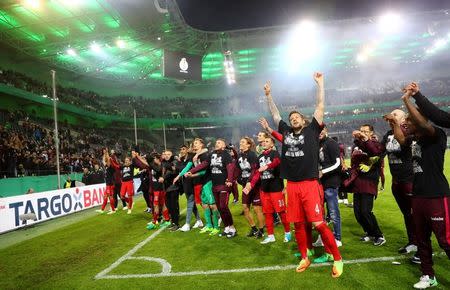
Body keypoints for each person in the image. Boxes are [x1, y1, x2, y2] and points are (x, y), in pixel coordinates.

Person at [263, 73, 343, 277]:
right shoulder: (286, 132)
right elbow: (275, 115)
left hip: (309, 183)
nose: (292, 118)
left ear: (304, 120)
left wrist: (321, 84)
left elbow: (320, 106)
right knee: (298, 223)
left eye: (296, 117)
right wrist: (269, 96)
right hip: (292, 185)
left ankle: (337, 258)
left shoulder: (312, 131)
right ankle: (305, 256)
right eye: (291, 118)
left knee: (318, 223)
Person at [401, 84, 450, 289]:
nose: (406, 123)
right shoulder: (414, 140)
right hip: (418, 196)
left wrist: (407, 101)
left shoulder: (436, 134)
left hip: (437, 195)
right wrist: (397, 121)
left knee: (446, 240)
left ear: (420, 121)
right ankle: (428, 275)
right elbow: (401, 139)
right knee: (422, 240)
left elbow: (422, 122)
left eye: (408, 121)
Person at [244, 136, 291, 244]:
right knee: (267, 213)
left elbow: (276, 162)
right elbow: (256, 172)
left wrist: (267, 166)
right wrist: (251, 184)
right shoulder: (259, 156)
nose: (264, 143)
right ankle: (270, 236)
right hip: (264, 190)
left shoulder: (275, 153)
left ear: (272, 144)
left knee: (281, 212)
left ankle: (287, 233)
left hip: (276, 189)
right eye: (263, 141)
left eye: (267, 141)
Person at [382, 109, 417, 255]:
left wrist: (396, 123)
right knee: (407, 214)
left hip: (409, 179)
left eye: (395, 114)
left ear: (403, 119)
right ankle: (413, 242)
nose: (392, 116)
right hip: (396, 181)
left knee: (415, 214)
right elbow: (379, 151)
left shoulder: (408, 132)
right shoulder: (388, 135)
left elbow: (404, 145)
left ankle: (421, 244)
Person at [188, 139, 237, 238]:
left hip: (224, 184)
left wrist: (230, 180)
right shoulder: (212, 154)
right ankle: (227, 227)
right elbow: (204, 164)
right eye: (216, 142)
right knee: (219, 207)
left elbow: (230, 168)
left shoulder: (226, 154)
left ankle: (232, 228)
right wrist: (192, 171)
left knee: (223, 206)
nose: (216, 143)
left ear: (224, 145)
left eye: (219, 142)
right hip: (215, 185)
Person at [349, 124, 386, 246]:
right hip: (357, 181)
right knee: (358, 213)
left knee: (366, 211)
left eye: (365, 131)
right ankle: (369, 232)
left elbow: (375, 154)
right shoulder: (356, 145)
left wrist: (365, 140)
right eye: (361, 131)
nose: (362, 133)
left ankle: (379, 235)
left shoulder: (375, 144)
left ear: (371, 133)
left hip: (368, 181)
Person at [313, 126, 343, 251]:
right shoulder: (317, 144)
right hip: (320, 183)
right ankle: (322, 237)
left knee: (333, 212)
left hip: (330, 182)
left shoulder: (331, 143)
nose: (319, 133)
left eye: (321, 130)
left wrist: (323, 172)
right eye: (317, 131)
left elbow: (337, 163)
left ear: (326, 130)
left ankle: (337, 238)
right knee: (320, 213)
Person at [182, 138, 220, 235]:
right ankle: (209, 225)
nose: (194, 145)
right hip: (201, 183)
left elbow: (204, 170)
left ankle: (216, 226)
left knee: (212, 205)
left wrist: (192, 174)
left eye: (196, 143)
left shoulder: (205, 155)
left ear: (201, 145)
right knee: (204, 204)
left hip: (208, 181)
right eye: (194, 143)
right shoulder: (195, 156)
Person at [237, 137, 265, 238]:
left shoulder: (252, 155)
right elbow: (237, 170)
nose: (241, 143)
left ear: (248, 145)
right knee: (245, 207)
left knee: (257, 208)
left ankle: (261, 230)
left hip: (254, 185)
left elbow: (254, 170)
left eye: (243, 142)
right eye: (240, 142)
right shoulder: (239, 156)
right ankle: (254, 229)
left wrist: (249, 182)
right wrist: (239, 179)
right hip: (245, 186)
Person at [173, 144, 203, 231]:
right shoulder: (181, 160)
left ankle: (187, 224)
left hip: (193, 183)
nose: (182, 151)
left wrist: (178, 176)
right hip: (185, 184)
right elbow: (178, 168)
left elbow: (186, 169)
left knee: (194, 203)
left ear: (187, 150)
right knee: (194, 204)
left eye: (183, 149)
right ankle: (199, 220)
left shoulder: (191, 158)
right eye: (180, 149)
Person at [96, 149, 116, 214]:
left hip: (110, 184)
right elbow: (103, 161)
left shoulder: (110, 166)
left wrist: (106, 153)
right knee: (105, 196)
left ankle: (113, 210)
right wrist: (104, 154)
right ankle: (102, 209)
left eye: (107, 161)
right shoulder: (107, 166)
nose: (106, 161)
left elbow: (107, 159)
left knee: (110, 197)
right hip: (108, 183)